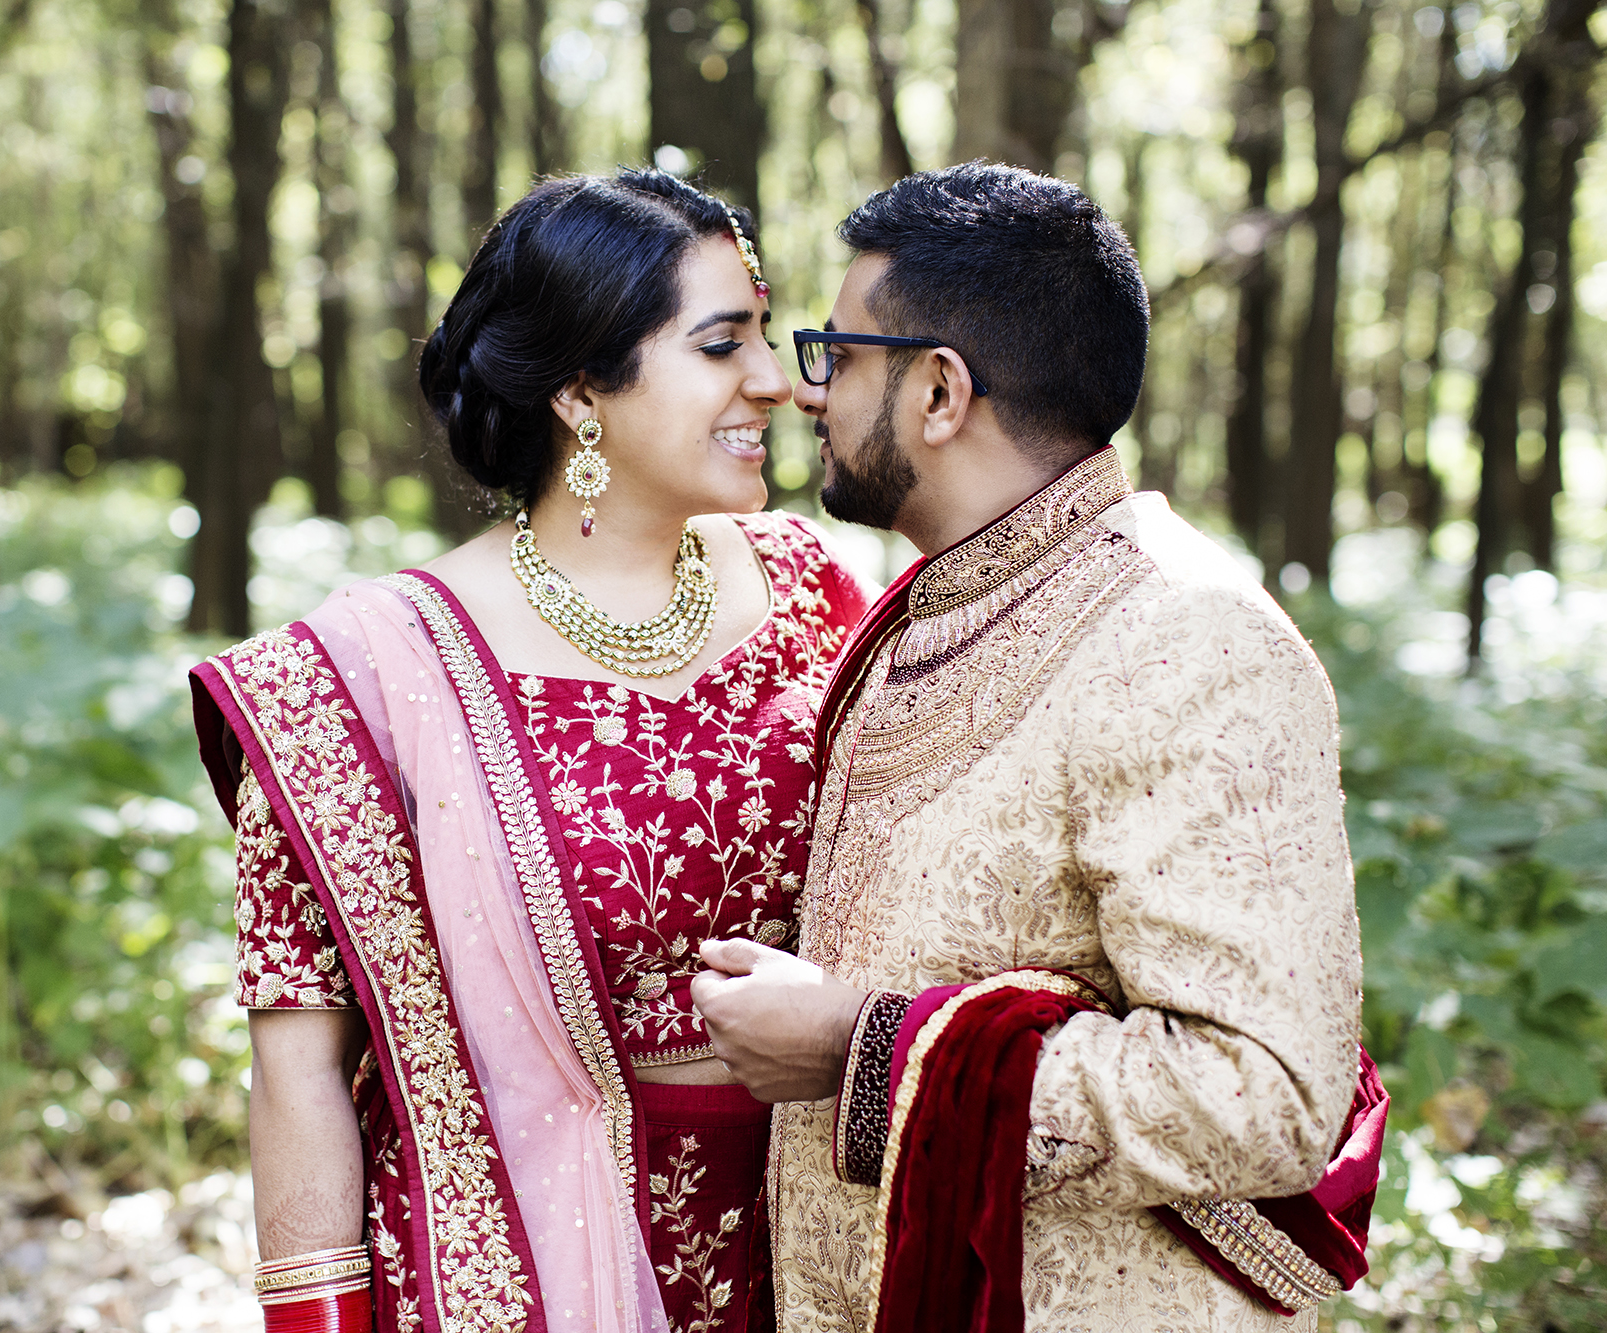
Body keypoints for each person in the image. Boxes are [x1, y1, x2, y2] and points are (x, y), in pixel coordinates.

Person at [691, 163, 1387, 1333]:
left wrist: (861, 1050)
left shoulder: (1186, 638)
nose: (806, 393)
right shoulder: (926, 609)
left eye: (837, 354)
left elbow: (1268, 1097)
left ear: (938, 391)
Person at [189, 169, 874, 1333]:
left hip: (815, 1234)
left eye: (763, 335)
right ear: (577, 389)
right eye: (720, 345)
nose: (771, 380)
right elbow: (300, 1064)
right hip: (510, 1266)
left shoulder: (817, 588)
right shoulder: (359, 677)